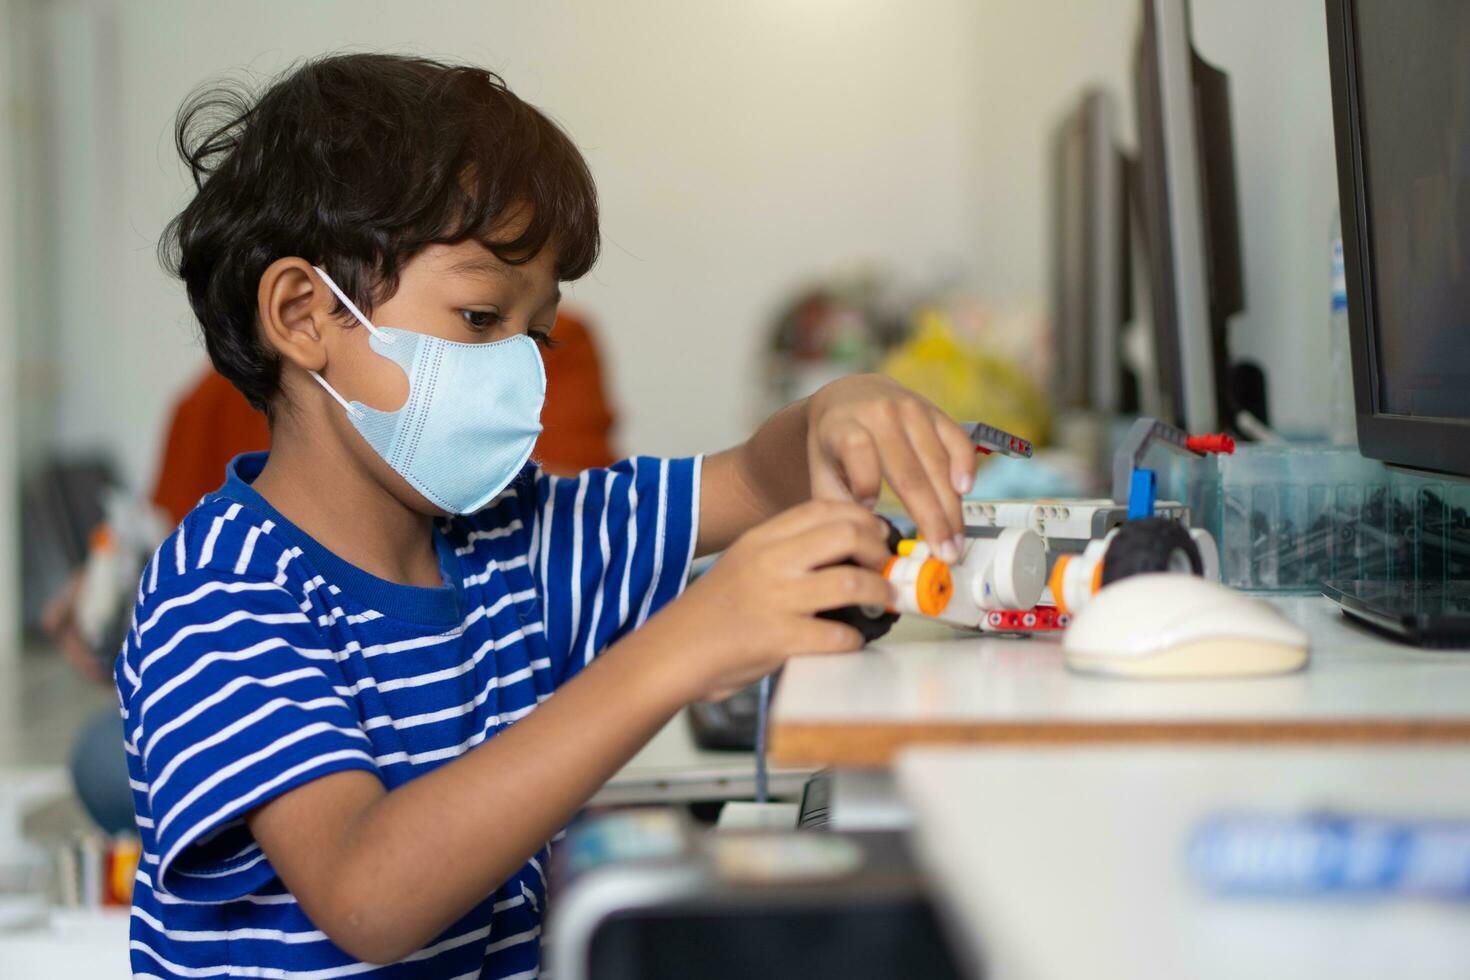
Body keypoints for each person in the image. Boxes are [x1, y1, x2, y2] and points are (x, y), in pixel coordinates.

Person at [123, 53, 975, 979]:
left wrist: (837, 407)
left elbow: (762, 484)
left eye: (539, 333)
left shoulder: (514, 538)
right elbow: (367, 895)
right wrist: (685, 643)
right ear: (301, 314)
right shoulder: (216, 597)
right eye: (482, 317)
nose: (521, 372)